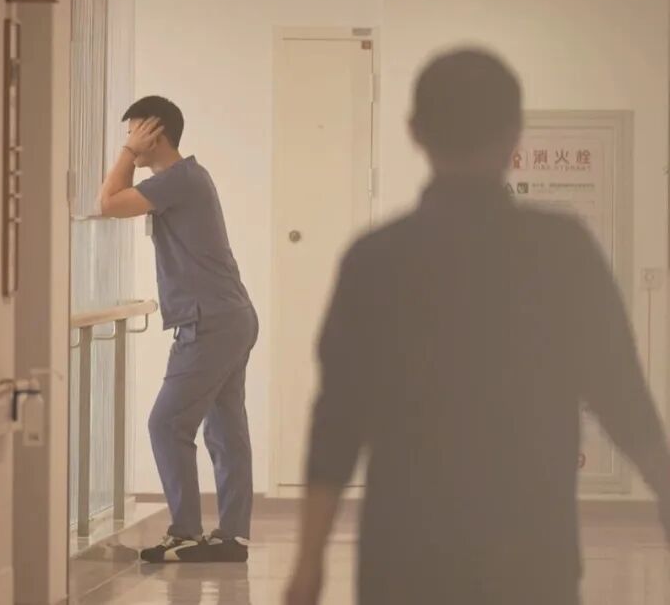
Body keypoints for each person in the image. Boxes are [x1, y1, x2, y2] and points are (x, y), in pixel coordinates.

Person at [285, 48, 670, 604]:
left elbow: (337, 419)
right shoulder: (561, 250)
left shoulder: (376, 259)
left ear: (415, 131)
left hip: (404, 553)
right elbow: (620, 391)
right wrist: (663, 487)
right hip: (532, 551)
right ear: (515, 134)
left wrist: (309, 560)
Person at [98, 95, 258, 563]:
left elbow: (108, 203)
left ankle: (186, 532)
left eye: (134, 131)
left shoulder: (178, 179)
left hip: (209, 321)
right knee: (225, 428)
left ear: (154, 132)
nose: (128, 140)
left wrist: (127, 153)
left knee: (166, 424)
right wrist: (132, 152)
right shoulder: (188, 178)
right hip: (229, 316)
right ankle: (232, 537)